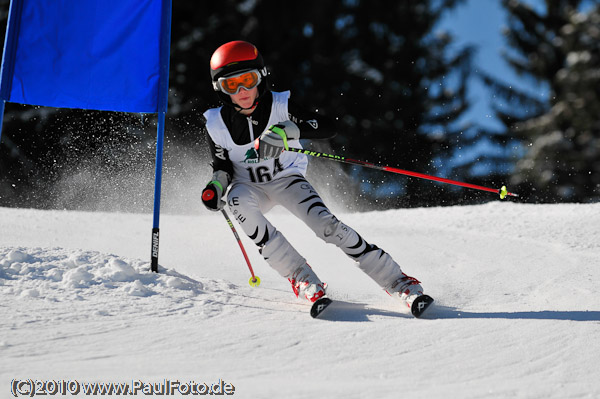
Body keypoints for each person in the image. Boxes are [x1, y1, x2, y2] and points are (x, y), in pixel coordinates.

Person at [201, 40, 425, 309]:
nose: (243, 90)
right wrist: (215, 186)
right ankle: (302, 278)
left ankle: (397, 281)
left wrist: (288, 131)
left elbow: (327, 126)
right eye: (231, 85)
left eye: (248, 79)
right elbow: (222, 165)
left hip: (287, 180)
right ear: (220, 89)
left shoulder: (281, 104)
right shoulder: (215, 124)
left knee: (326, 226)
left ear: (261, 76)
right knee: (238, 202)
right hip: (248, 188)